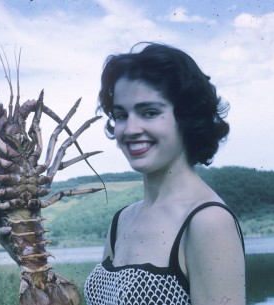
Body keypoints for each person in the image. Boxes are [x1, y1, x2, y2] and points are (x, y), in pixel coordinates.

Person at [83, 42, 245, 305]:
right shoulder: (122, 220)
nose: (130, 129)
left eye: (149, 112)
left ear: (186, 117)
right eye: (121, 115)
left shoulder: (208, 221)